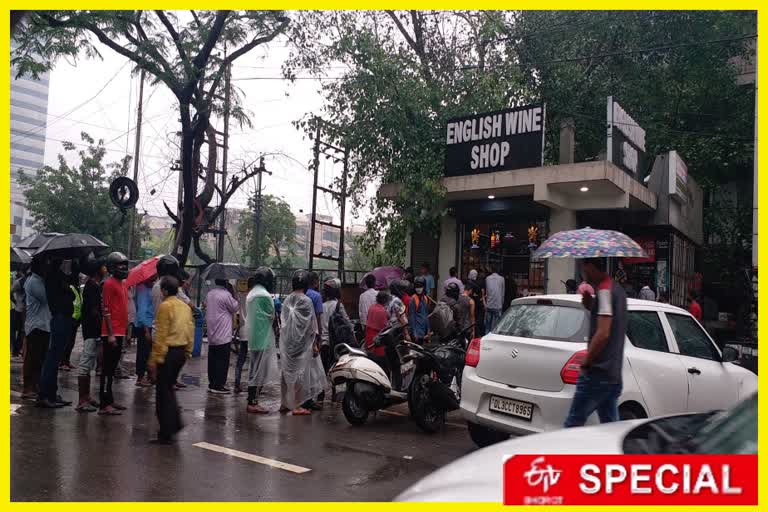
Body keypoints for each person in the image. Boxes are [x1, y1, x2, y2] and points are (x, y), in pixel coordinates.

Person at [564, 258, 627, 428]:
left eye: (584, 268)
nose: (583, 273)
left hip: (598, 374)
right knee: (611, 427)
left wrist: (587, 361)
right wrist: (591, 304)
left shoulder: (605, 292)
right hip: (612, 373)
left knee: (573, 423)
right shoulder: (615, 289)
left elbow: (603, 333)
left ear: (591, 267)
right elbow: (610, 321)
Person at [148, 276, 194, 444]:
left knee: (163, 392)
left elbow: (161, 335)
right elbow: (190, 329)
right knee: (168, 389)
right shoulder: (185, 307)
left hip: (168, 352)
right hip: (180, 352)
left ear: (165, 291)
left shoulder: (165, 306)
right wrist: (188, 351)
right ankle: (173, 425)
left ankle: (167, 431)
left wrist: (155, 359)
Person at [38, 257, 78, 408]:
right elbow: (70, 292)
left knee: (55, 357)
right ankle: (44, 395)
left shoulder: (58, 275)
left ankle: (52, 394)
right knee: (52, 358)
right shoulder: (53, 276)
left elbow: (72, 284)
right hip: (59, 318)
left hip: (64, 317)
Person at [279, 270, 319, 416]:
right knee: (300, 373)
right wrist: (314, 342)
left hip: (287, 341)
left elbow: (282, 321)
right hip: (301, 342)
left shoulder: (287, 300)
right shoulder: (306, 301)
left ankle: (284, 403)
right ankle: (297, 405)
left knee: (285, 370)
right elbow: (311, 324)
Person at [98, 252, 130, 416]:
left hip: (120, 331)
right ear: (112, 267)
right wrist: (110, 334)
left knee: (113, 368)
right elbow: (106, 310)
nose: (124, 268)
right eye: (120, 265)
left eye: (125, 265)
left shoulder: (122, 283)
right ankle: (104, 404)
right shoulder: (109, 284)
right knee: (107, 369)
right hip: (111, 332)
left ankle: (110, 399)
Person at [245, 268, 280, 414]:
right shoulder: (265, 295)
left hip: (253, 338)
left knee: (254, 369)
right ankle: (253, 402)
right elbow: (272, 316)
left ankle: (253, 400)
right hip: (263, 338)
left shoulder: (251, 293)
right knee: (258, 372)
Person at [75, 257, 106, 412]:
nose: (105, 269)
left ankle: (86, 397)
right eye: (103, 266)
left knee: (90, 362)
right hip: (91, 329)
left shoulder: (93, 285)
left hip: (92, 329)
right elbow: (94, 310)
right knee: (85, 363)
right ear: (98, 270)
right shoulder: (92, 286)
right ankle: (82, 400)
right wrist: (102, 325)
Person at [22, 258, 51, 401]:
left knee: (39, 359)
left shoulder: (39, 280)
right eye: (45, 264)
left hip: (43, 324)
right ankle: (28, 388)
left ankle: (34, 386)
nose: (47, 267)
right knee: (33, 358)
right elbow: (46, 299)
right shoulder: (34, 281)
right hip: (36, 325)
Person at [205, 278, 239, 394]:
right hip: (223, 334)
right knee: (222, 361)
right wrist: (234, 292)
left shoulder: (210, 294)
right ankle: (219, 385)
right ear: (226, 282)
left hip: (211, 333)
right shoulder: (226, 295)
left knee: (212, 360)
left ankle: (212, 383)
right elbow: (235, 307)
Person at [134, 277, 156, 387]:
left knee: (148, 352)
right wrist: (146, 330)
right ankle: (140, 377)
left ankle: (148, 376)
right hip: (144, 326)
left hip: (149, 324)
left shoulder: (149, 288)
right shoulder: (142, 288)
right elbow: (142, 311)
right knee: (143, 351)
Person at [60, 279, 82, 371]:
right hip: (70, 318)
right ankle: (62, 362)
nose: (80, 279)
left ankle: (67, 361)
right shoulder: (71, 287)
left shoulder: (77, 288)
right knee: (67, 342)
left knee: (71, 342)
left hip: (76, 319)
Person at [409, 276, 432, 344]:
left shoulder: (425, 298)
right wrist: (414, 333)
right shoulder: (413, 299)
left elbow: (426, 315)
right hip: (416, 332)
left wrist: (428, 329)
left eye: (420, 286)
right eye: (417, 287)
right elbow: (412, 317)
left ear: (424, 287)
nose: (418, 289)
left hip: (423, 331)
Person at [484, 266, 505, 333]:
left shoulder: (487, 278)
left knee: (488, 325)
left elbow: (487, 292)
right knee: (498, 326)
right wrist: (502, 303)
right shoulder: (502, 279)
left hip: (489, 304)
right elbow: (502, 293)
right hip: (498, 305)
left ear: (491, 270)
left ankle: (486, 337)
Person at [10, 270, 26, 359]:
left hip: (23, 309)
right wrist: (15, 302)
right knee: (21, 331)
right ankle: (16, 350)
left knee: (21, 331)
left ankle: (18, 350)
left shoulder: (23, 281)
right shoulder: (19, 282)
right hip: (19, 310)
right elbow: (10, 292)